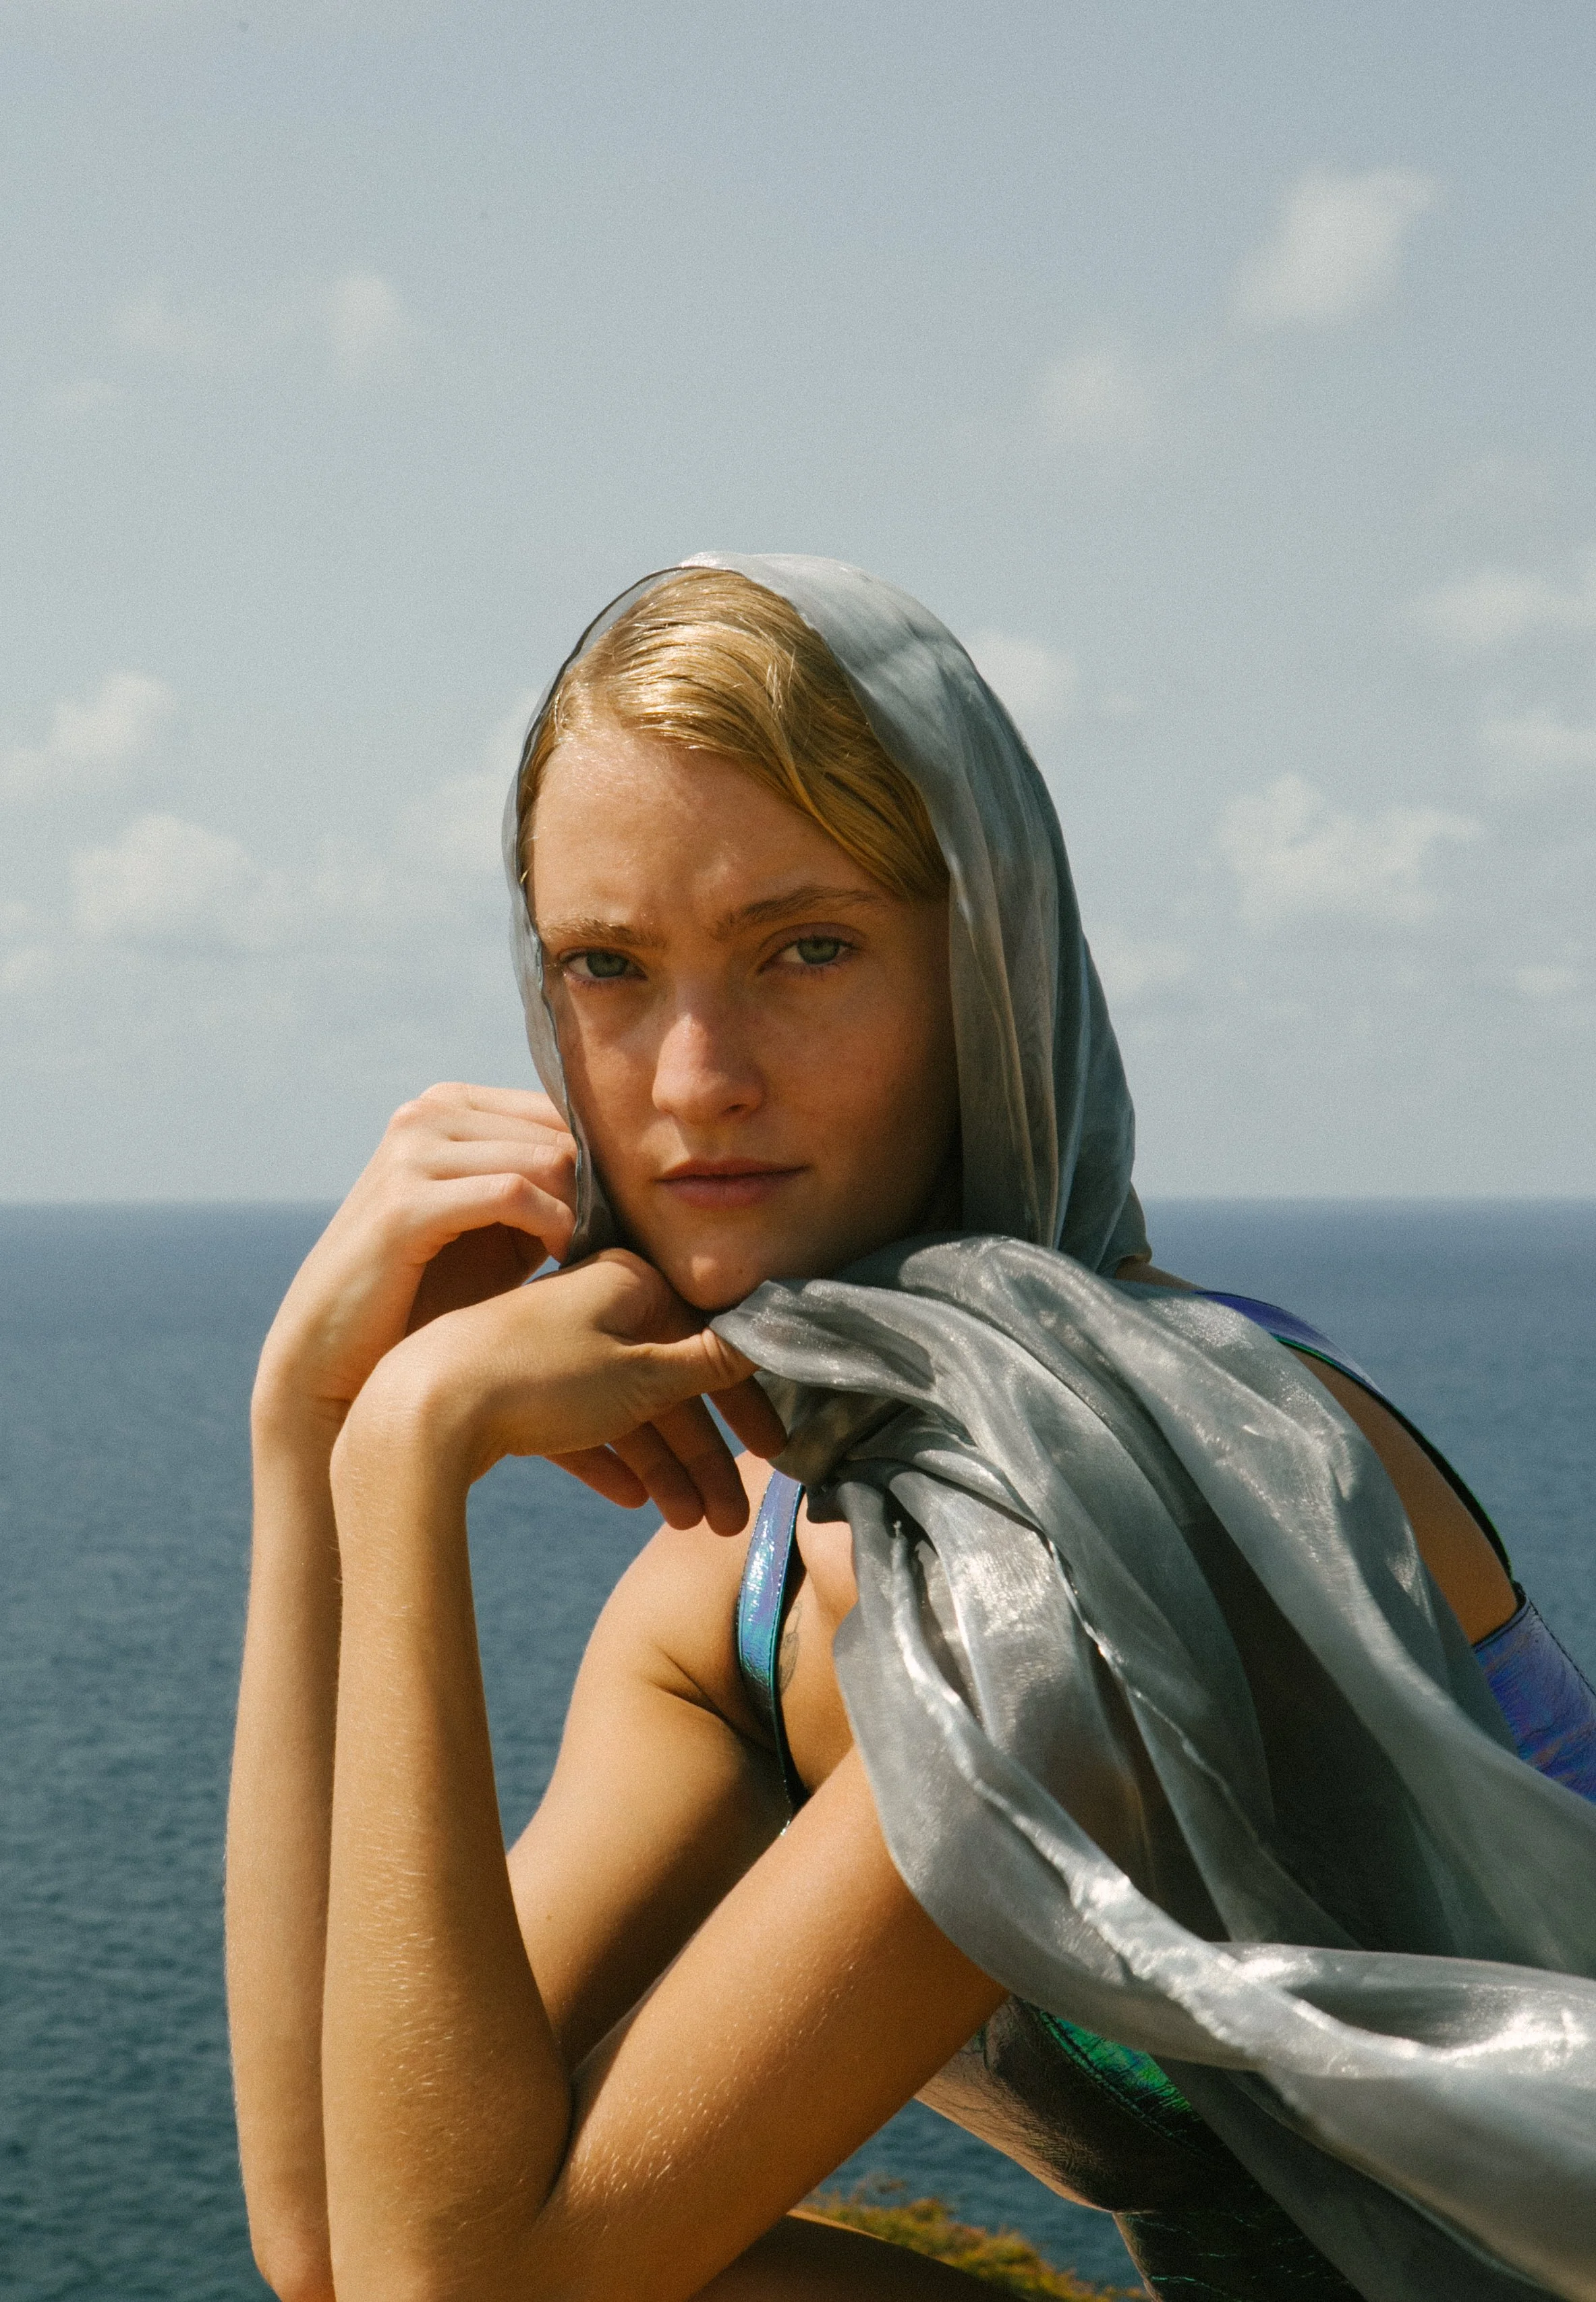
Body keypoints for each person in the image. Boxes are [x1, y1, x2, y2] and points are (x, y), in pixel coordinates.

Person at [227, 557, 1596, 2302]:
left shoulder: (1112, 1513)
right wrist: (313, 1436)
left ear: (989, 975)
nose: (691, 1071)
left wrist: (410, 1448)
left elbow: (451, 2288)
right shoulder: (739, 1586)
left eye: (807, 946)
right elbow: (335, 2233)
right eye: (607, 964)